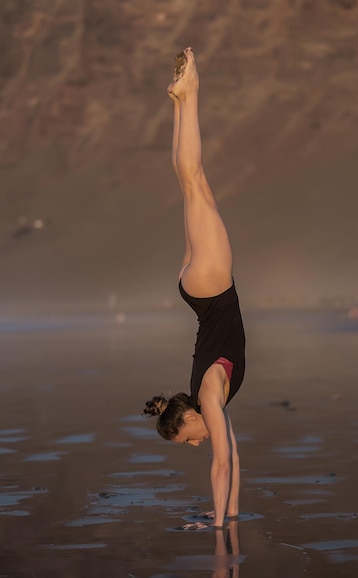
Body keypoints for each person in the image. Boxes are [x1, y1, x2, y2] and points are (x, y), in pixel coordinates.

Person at [144, 47, 246, 530]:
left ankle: (189, 95)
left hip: (211, 286)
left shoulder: (208, 398)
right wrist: (227, 512)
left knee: (195, 179)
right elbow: (235, 462)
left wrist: (221, 532)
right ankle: (183, 100)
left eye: (188, 439)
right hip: (198, 288)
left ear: (186, 418)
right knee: (189, 184)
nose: (197, 443)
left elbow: (221, 464)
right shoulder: (208, 400)